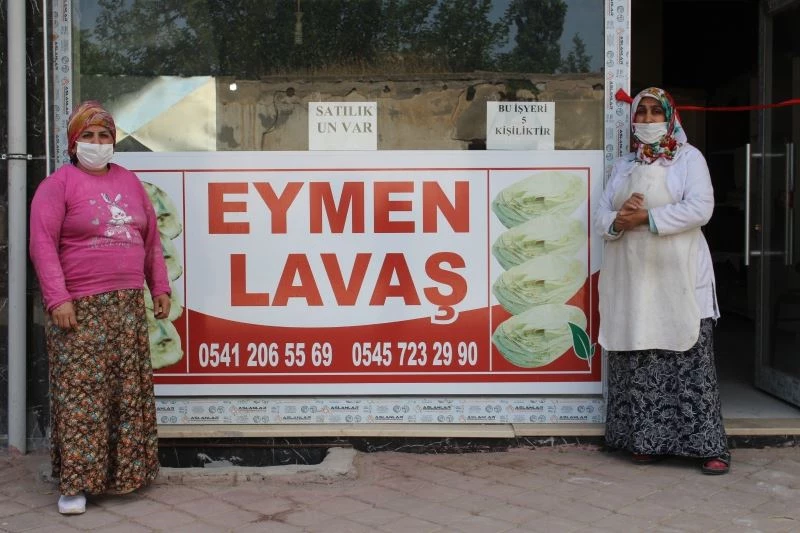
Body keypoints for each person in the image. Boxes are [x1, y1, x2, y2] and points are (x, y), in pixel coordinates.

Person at [29, 101, 172, 514]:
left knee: (127, 393)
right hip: (78, 307)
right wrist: (58, 298)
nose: (97, 144)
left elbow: (150, 241)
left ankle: (127, 476)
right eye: (88, 137)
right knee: (82, 396)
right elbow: (42, 245)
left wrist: (158, 287)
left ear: (113, 141)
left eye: (104, 136)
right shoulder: (58, 185)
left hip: (127, 304)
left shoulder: (129, 181)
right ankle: (76, 485)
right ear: (74, 143)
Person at [594, 87, 730, 475]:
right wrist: (619, 220)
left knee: (688, 358)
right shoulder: (623, 165)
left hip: (679, 277)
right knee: (640, 355)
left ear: (670, 118)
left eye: (656, 112)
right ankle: (645, 442)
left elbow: (701, 208)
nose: (649, 120)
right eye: (643, 113)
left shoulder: (688, 159)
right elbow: (601, 216)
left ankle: (707, 447)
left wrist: (647, 219)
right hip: (634, 280)